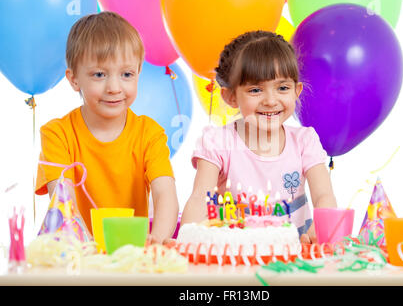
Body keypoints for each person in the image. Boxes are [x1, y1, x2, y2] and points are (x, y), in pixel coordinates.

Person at [35, 12, 178, 244]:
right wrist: (90, 249)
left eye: (126, 74)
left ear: (138, 73)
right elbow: (64, 205)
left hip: (131, 258)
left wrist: (158, 241)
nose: (114, 87)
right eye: (99, 74)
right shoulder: (57, 135)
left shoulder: (149, 134)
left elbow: (165, 194)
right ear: (74, 80)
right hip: (78, 257)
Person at [181, 30, 337, 243]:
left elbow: (323, 196)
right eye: (255, 90)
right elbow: (200, 197)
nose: (271, 100)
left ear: (296, 91)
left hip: (297, 258)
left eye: (282, 88)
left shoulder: (304, 141)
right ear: (231, 96)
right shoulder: (218, 142)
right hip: (236, 258)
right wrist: (188, 241)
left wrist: (321, 229)